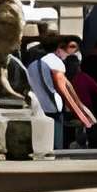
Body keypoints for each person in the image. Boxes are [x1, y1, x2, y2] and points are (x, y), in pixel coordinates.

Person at [25, 26, 69, 158]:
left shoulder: (32, 63)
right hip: (54, 104)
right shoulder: (57, 63)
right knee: (56, 144)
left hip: (38, 105)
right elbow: (62, 87)